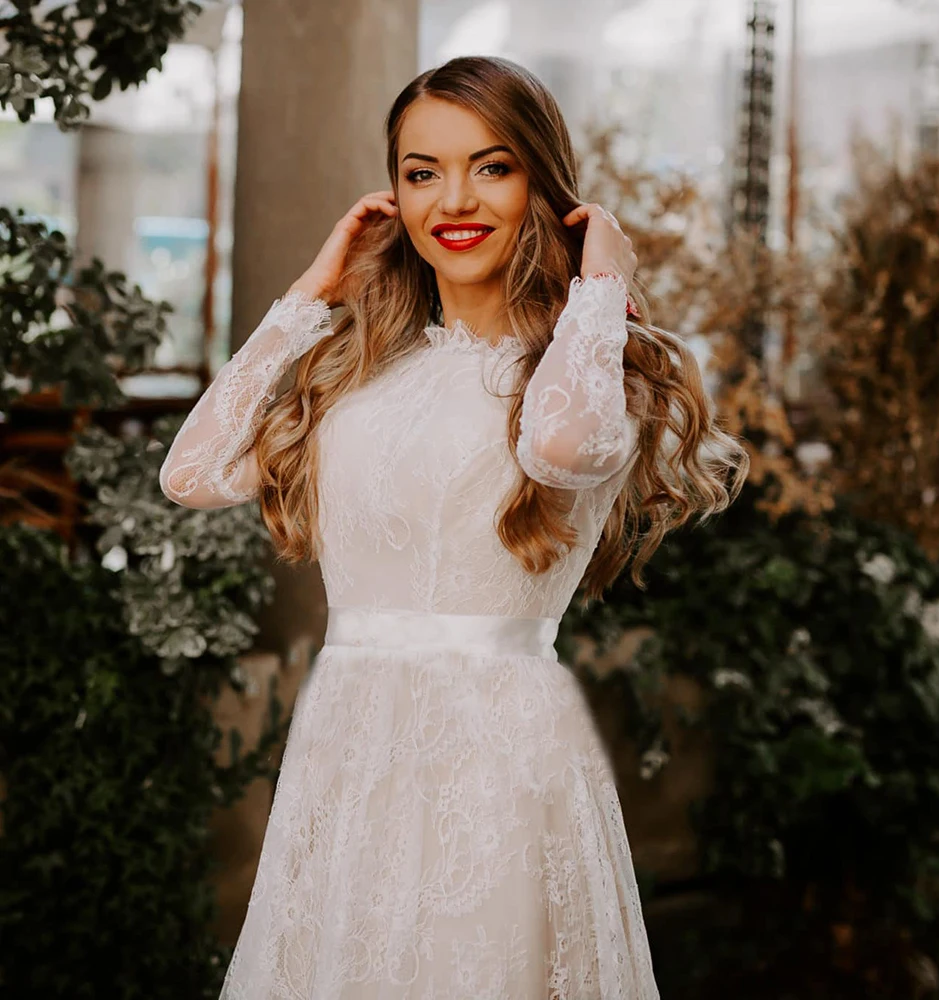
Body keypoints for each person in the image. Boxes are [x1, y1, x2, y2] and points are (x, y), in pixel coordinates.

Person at [160, 55, 747, 1000]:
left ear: (545, 186)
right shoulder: (359, 366)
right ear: (392, 192)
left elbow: (560, 449)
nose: (454, 199)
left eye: (493, 165)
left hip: (499, 759)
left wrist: (600, 287)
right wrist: (312, 294)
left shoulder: (591, 371)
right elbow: (191, 473)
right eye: (421, 171)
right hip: (349, 752)